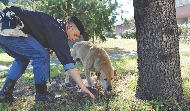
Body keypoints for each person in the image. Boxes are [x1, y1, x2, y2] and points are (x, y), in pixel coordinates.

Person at [0, 6, 95, 102]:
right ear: (69, 27)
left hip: (4, 28)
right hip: (11, 29)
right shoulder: (59, 31)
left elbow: (34, 30)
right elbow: (68, 62)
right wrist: (83, 86)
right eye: (75, 35)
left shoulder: (54, 24)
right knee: (42, 56)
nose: (74, 39)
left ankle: (4, 94)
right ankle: (42, 94)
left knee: (22, 59)